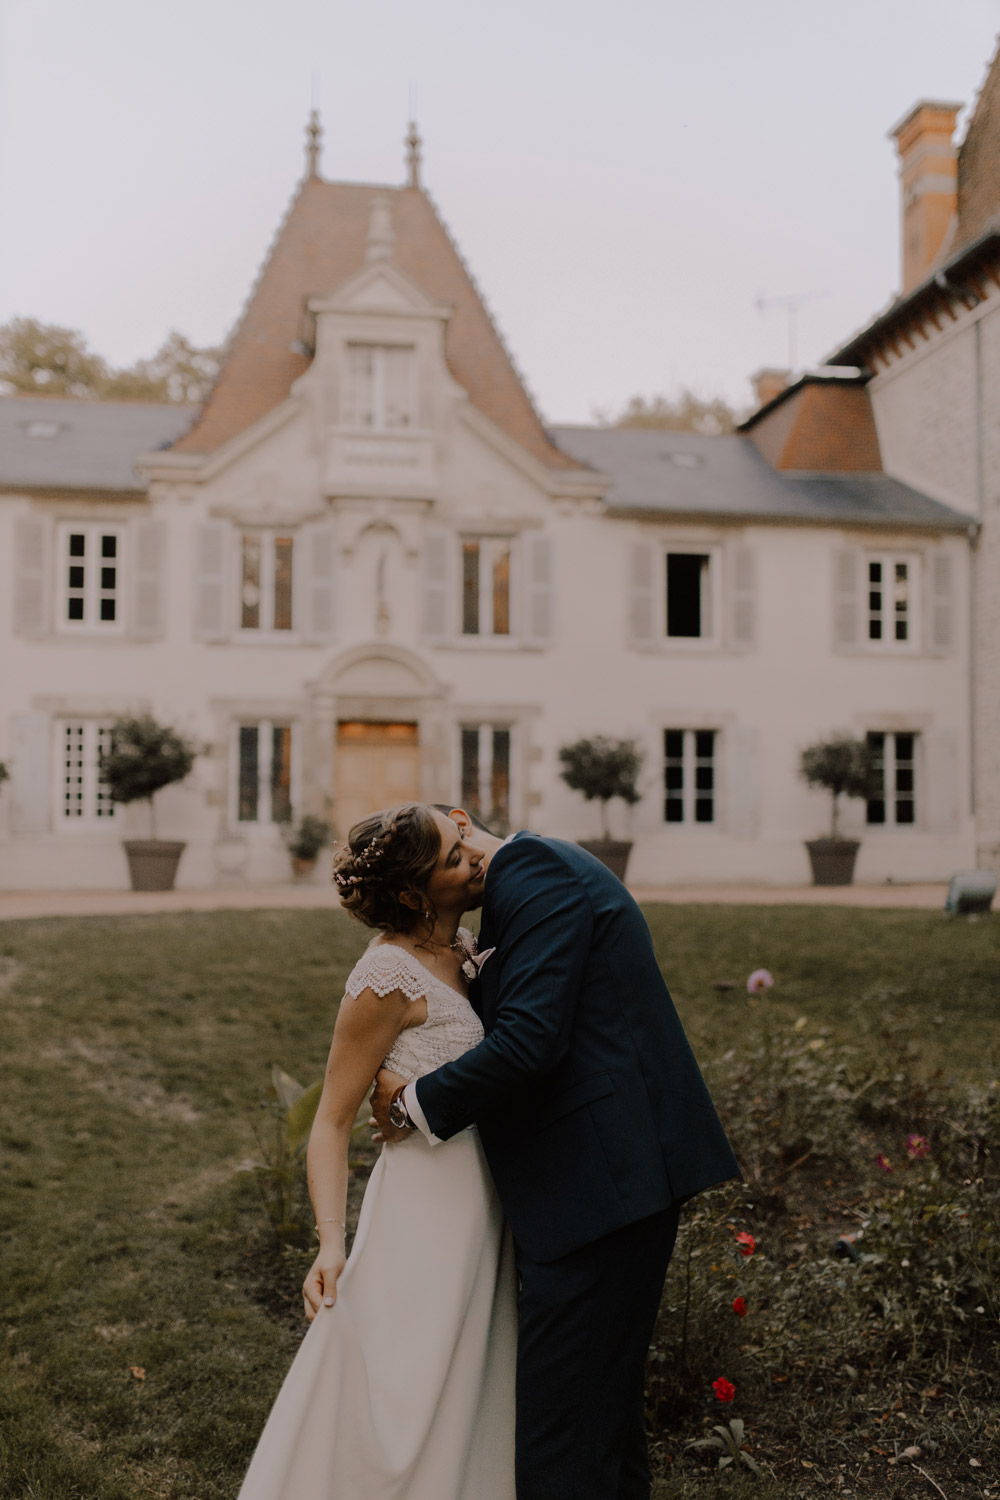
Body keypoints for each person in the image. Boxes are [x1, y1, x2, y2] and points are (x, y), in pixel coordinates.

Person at [371, 808, 740, 1500]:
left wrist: (409, 1101)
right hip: (603, 1185)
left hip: (602, 1188)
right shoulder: (525, 885)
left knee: (558, 1444)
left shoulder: (532, 869)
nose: (457, 876)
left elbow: (528, 1044)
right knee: (597, 1424)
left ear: (462, 820)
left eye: (451, 856)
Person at [236, 802, 517, 1500]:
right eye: (455, 858)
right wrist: (330, 1244)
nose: (474, 858)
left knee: (475, 1379)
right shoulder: (384, 979)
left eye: (464, 844)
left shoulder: (467, 949)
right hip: (427, 1210)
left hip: (496, 1199)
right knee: (405, 1387)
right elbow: (331, 1122)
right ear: (412, 895)